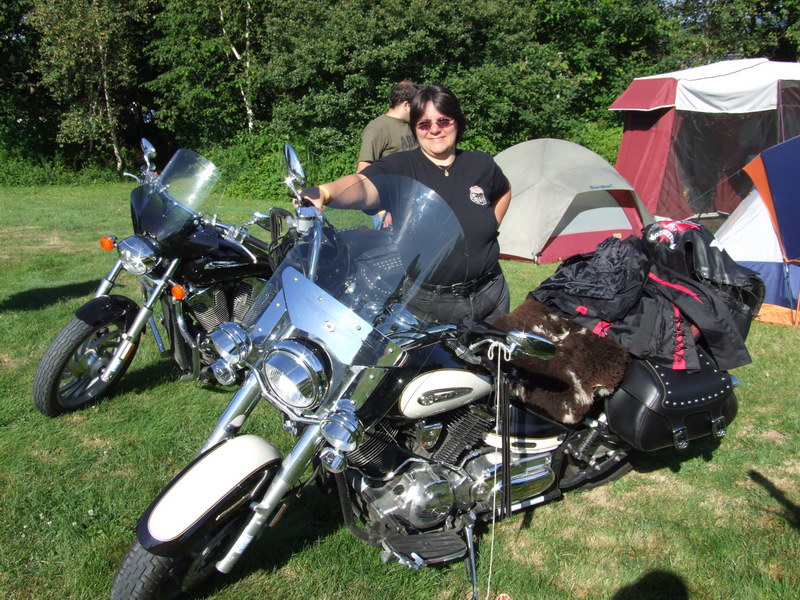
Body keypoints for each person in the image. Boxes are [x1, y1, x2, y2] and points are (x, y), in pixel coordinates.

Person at [299, 84, 512, 323]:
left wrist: (491, 223)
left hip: (489, 294)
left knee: (496, 349)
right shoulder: (401, 167)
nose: (434, 130)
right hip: (429, 305)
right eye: (424, 124)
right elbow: (362, 184)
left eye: (443, 121)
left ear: (457, 122)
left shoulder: (481, 163)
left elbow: (504, 190)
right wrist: (326, 192)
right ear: (415, 129)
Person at [357, 80, 420, 172]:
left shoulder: (413, 125)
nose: (419, 111)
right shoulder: (377, 128)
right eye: (417, 107)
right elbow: (363, 170)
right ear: (406, 105)